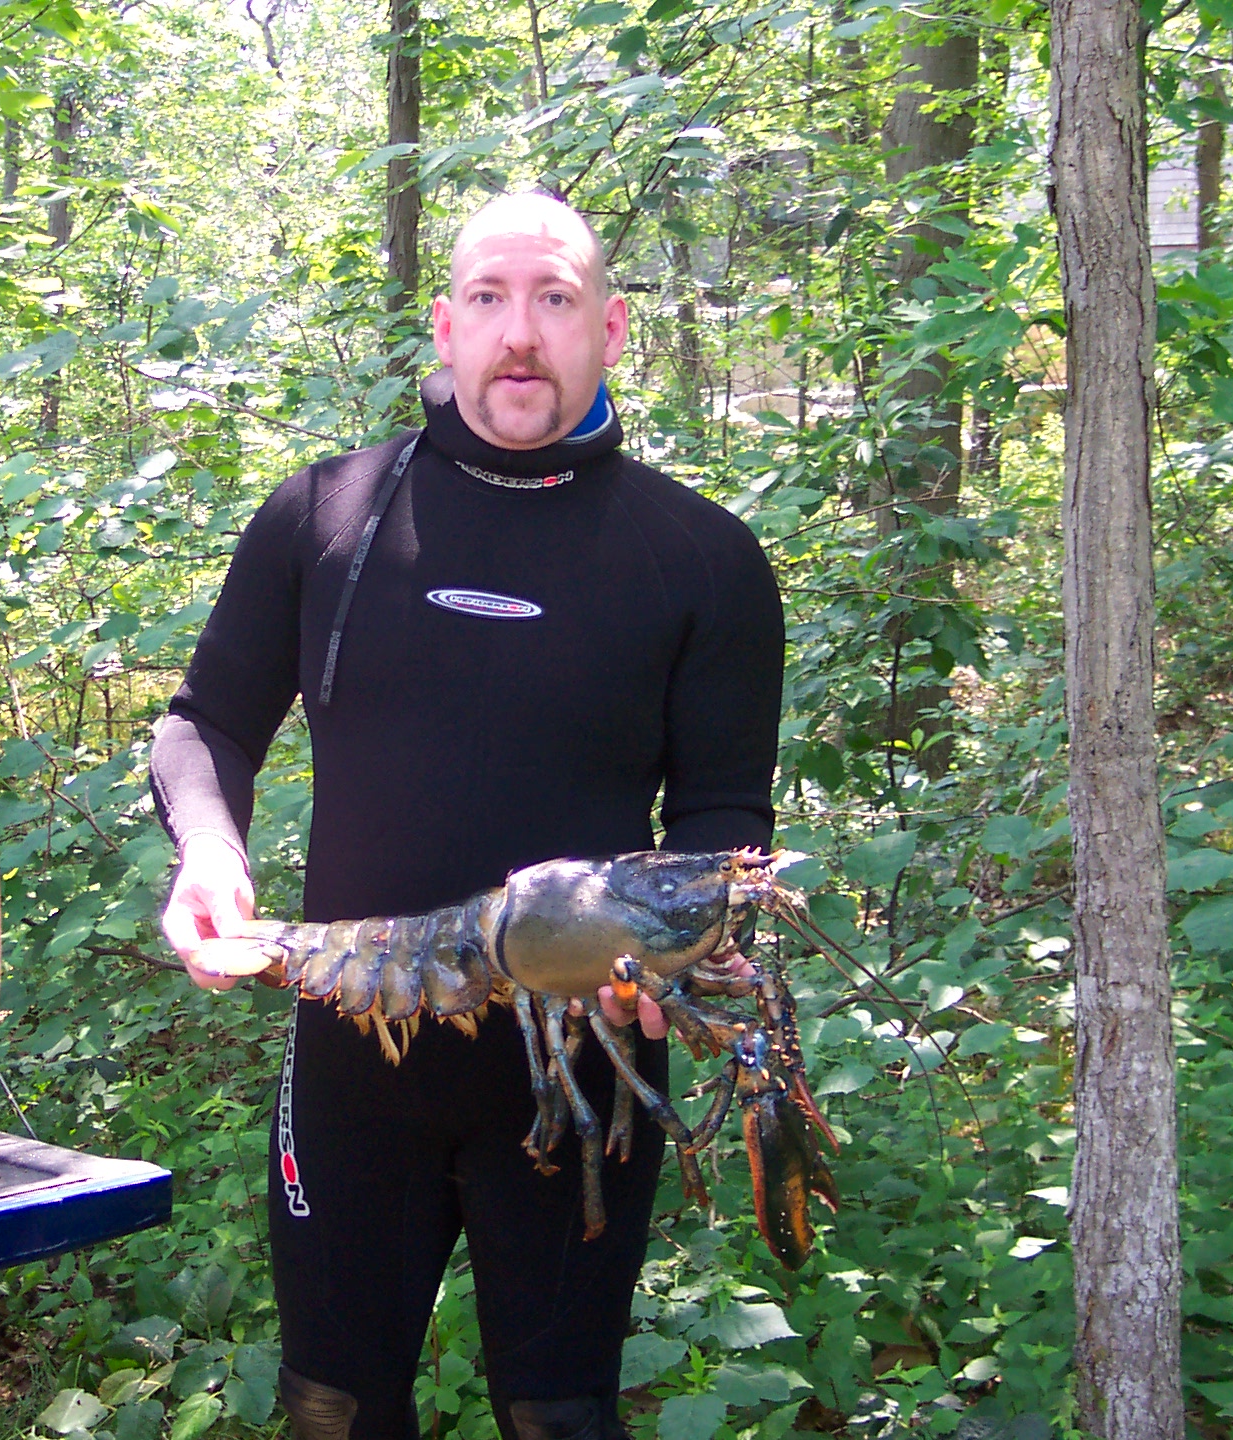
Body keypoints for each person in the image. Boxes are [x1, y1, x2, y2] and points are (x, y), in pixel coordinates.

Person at [150, 191, 784, 1440]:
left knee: (560, 1415)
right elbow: (201, 725)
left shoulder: (703, 558)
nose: (519, 334)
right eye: (490, 300)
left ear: (609, 329)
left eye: (554, 301)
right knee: (332, 1406)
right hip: (351, 1060)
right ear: (443, 326)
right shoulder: (324, 516)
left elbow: (721, 825)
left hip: (583, 1067)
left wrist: (685, 963)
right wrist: (211, 852)